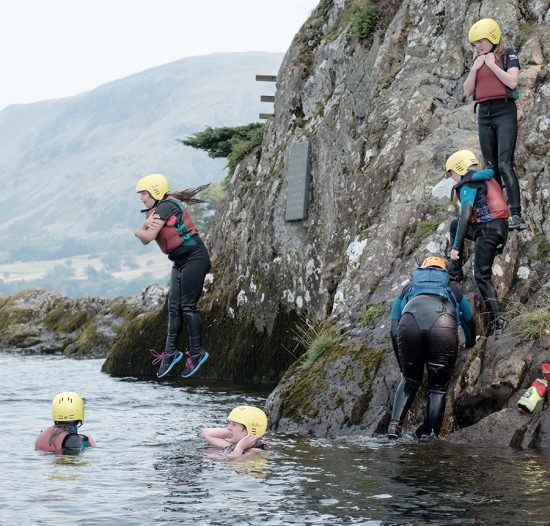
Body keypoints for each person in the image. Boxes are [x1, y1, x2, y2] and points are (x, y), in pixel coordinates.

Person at [387, 256, 477, 439]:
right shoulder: (452, 287)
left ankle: (394, 427)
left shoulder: (408, 289)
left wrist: (403, 366)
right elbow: (468, 319)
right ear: (443, 271)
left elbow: (394, 331)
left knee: (410, 380)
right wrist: (470, 342)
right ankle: (429, 436)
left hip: (409, 322)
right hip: (442, 323)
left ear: (422, 269)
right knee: (437, 389)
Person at [134, 174, 211, 379]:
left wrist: (137, 231)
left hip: (195, 258)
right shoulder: (156, 211)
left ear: (156, 192)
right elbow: (147, 238)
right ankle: (171, 354)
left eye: (144, 193)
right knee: (173, 309)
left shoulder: (166, 207)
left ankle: (197, 353)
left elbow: (147, 237)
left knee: (187, 306)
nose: (141, 198)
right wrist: (143, 228)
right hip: (179, 262)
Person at [463, 18, 527, 231]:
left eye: (480, 41)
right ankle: (498, 214)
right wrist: (475, 69)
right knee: (491, 167)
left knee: (504, 164)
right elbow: (467, 90)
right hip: (484, 114)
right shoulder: (478, 60)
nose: (478, 46)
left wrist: (491, 64)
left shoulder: (508, 54)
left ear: (491, 37)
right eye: (475, 44)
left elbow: (512, 82)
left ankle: (516, 215)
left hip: (504, 111)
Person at [446, 149, 509, 336]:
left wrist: (456, 247)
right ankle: (455, 271)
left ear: (460, 168)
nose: (452, 177)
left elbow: (466, 215)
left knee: (481, 276)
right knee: (454, 225)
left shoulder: (468, 185)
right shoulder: (485, 178)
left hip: (488, 231)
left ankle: (498, 320)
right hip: (498, 228)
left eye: (452, 173)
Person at [202, 406, 269, 458]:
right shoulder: (232, 444)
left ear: (249, 431)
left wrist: (240, 448)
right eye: (230, 423)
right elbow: (206, 433)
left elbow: (233, 463)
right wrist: (231, 433)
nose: (228, 427)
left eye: (234, 425)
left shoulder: (256, 451)